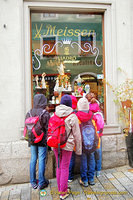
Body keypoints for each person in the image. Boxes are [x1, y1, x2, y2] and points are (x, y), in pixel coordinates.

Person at [53, 94, 82, 200]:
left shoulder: (54, 114)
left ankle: (60, 188)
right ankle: (63, 192)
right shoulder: (72, 116)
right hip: (67, 145)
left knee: (59, 166)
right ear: (70, 104)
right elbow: (77, 136)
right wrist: (79, 150)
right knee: (65, 167)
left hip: (56, 144)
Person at [25, 94, 50, 190]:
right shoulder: (45, 113)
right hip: (42, 140)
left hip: (31, 139)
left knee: (33, 159)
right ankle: (41, 182)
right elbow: (47, 128)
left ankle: (33, 182)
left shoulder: (29, 113)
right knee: (41, 159)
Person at [76, 97, 98, 186]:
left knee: (83, 161)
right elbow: (96, 128)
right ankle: (91, 179)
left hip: (82, 143)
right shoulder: (92, 115)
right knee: (91, 160)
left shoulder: (77, 116)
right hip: (92, 143)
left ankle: (84, 180)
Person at [86, 92, 104, 177]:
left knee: (91, 154)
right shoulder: (98, 109)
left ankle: (91, 172)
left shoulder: (88, 109)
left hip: (90, 134)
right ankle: (98, 171)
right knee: (98, 152)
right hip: (98, 134)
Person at [68, 95, 78, 182]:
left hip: (64, 140)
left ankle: (66, 176)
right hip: (73, 140)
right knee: (71, 158)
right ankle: (70, 176)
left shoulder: (64, 113)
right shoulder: (75, 114)